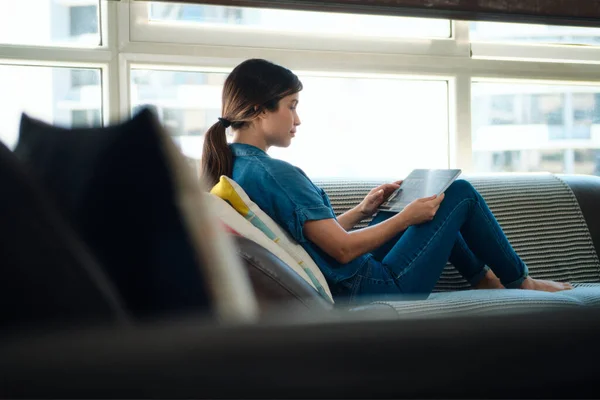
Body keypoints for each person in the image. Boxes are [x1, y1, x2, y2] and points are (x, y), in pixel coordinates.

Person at [201, 58, 573, 304]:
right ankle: (520, 282)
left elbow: (316, 238)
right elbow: (343, 251)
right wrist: (406, 217)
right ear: (258, 111)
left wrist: (364, 211)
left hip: (348, 281)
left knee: (435, 199)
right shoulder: (276, 173)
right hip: (372, 289)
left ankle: (482, 279)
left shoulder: (236, 167)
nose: (297, 120)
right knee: (458, 194)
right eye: (292, 106)